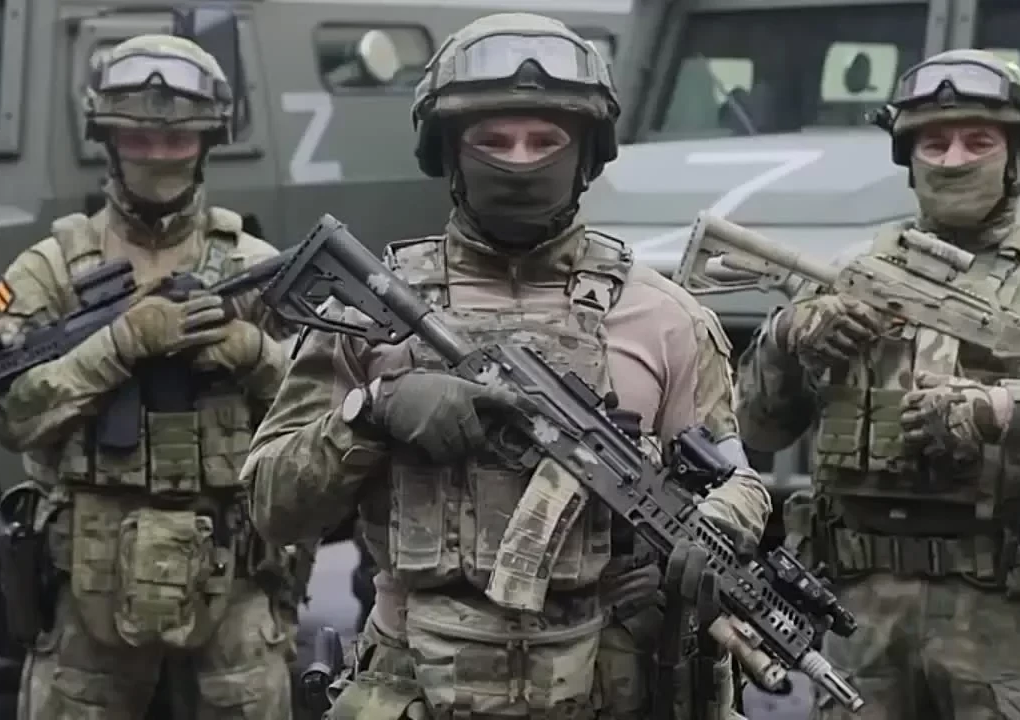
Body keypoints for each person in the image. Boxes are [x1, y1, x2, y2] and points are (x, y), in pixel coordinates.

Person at [242, 13, 772, 720]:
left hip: (606, 684)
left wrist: (718, 528)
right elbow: (270, 507)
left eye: (545, 141)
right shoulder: (371, 314)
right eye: (492, 141)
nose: (520, 162)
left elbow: (737, 479)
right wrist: (373, 412)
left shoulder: (664, 317)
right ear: (449, 152)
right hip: (417, 684)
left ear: (586, 155)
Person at [734, 49, 1020, 720]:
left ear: (1017, 155)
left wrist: (1002, 410)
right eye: (933, 144)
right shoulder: (849, 273)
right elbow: (758, 428)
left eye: (978, 141)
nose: (953, 159)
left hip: (1013, 624)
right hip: (862, 622)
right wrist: (791, 340)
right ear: (909, 158)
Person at [0, 34, 300, 719]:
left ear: (207, 143)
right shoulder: (50, 270)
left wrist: (253, 353)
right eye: (138, 138)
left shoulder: (254, 266)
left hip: (234, 574)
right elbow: (9, 416)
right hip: (88, 581)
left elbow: (326, 416)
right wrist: (118, 346)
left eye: (177, 139)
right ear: (108, 140)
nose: (158, 154)